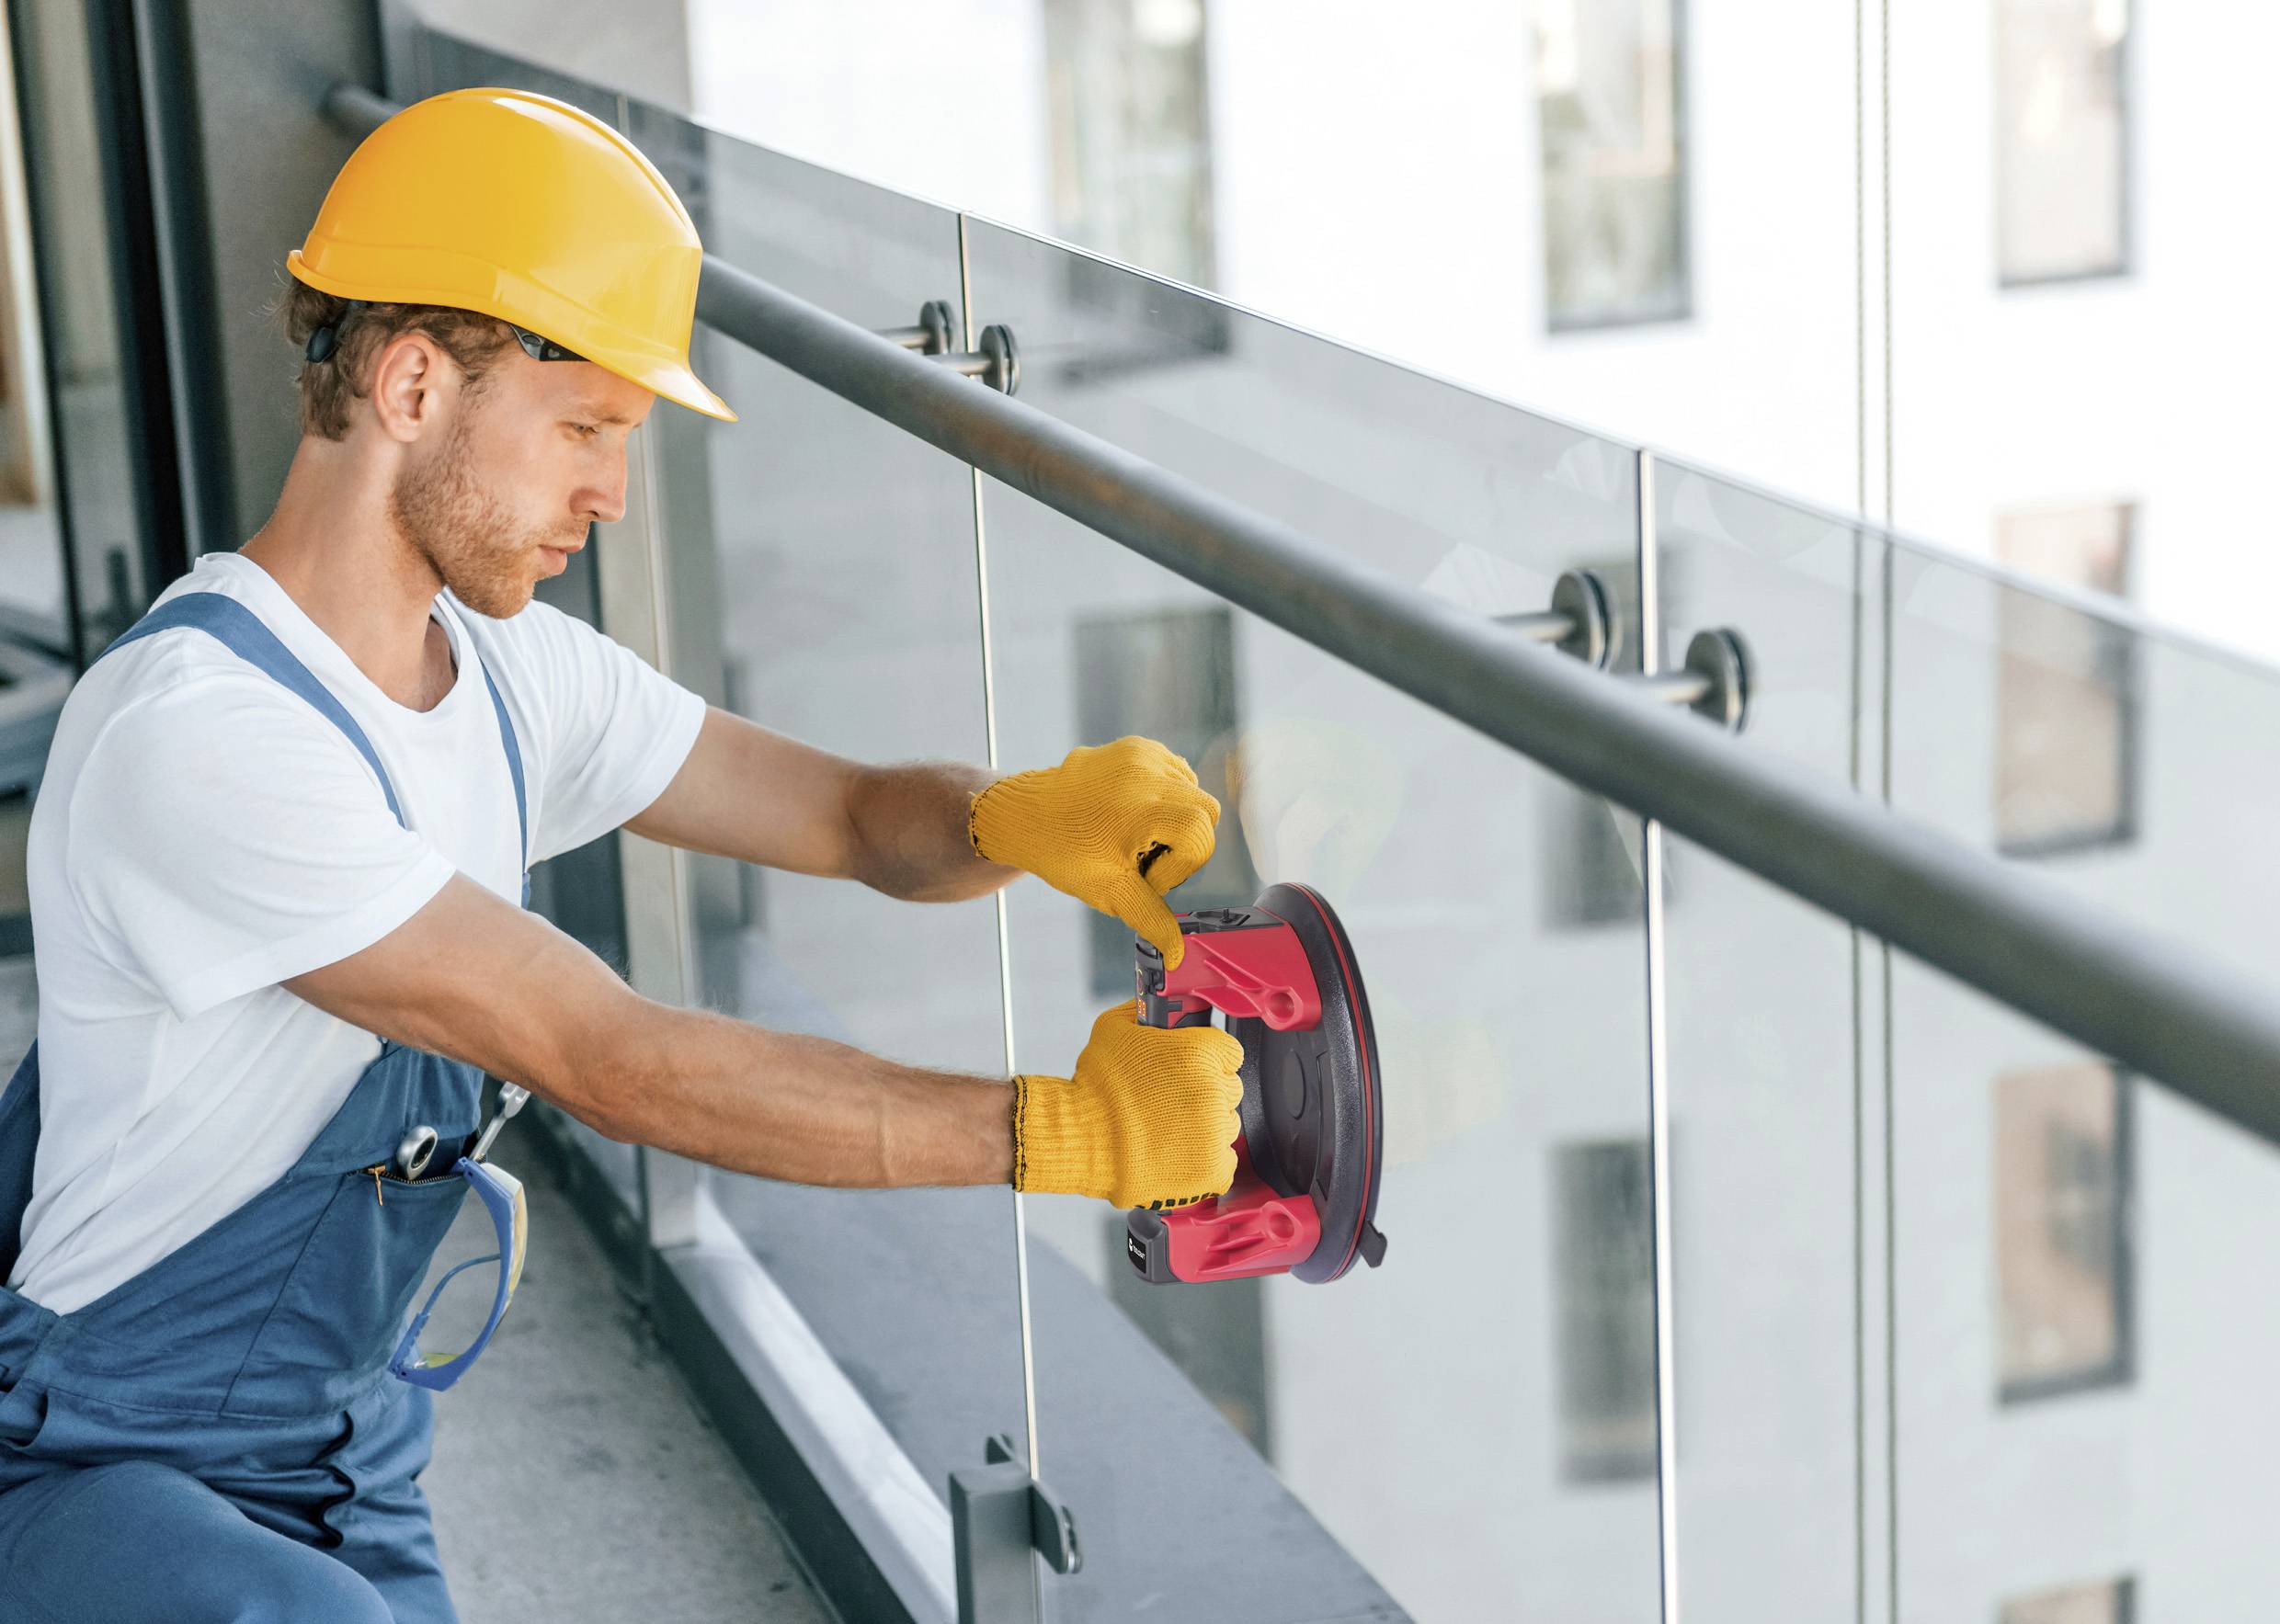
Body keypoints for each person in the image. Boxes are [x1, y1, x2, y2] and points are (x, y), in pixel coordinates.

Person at [0, 87, 1242, 1622]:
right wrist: (1056, 1133)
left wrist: (1012, 821)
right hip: (112, 1452)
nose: (612, 492)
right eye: (585, 427)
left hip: (348, 1425)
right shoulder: (203, 733)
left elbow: (851, 816)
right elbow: (618, 1060)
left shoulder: (511, 675)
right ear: (408, 386)